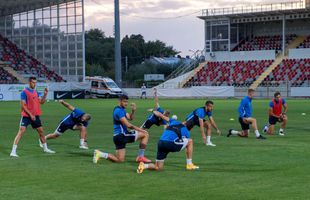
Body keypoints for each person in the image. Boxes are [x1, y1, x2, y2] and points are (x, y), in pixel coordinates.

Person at [93, 95, 151, 163]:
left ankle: (100, 154)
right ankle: (140, 157)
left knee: (120, 160)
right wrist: (141, 130)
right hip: (122, 135)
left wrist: (133, 111)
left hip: (117, 137)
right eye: (124, 101)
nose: (126, 103)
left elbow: (130, 118)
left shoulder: (121, 109)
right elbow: (129, 125)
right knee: (145, 134)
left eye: (127, 102)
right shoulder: (119, 111)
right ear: (119, 101)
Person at [10, 77, 55, 157]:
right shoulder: (24, 92)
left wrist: (45, 95)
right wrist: (31, 115)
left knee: (41, 132)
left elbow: (42, 102)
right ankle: (13, 152)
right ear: (29, 82)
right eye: (33, 82)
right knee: (21, 131)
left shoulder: (35, 92)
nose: (35, 84)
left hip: (36, 116)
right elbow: (23, 105)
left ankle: (45, 148)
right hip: (27, 116)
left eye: (35, 82)